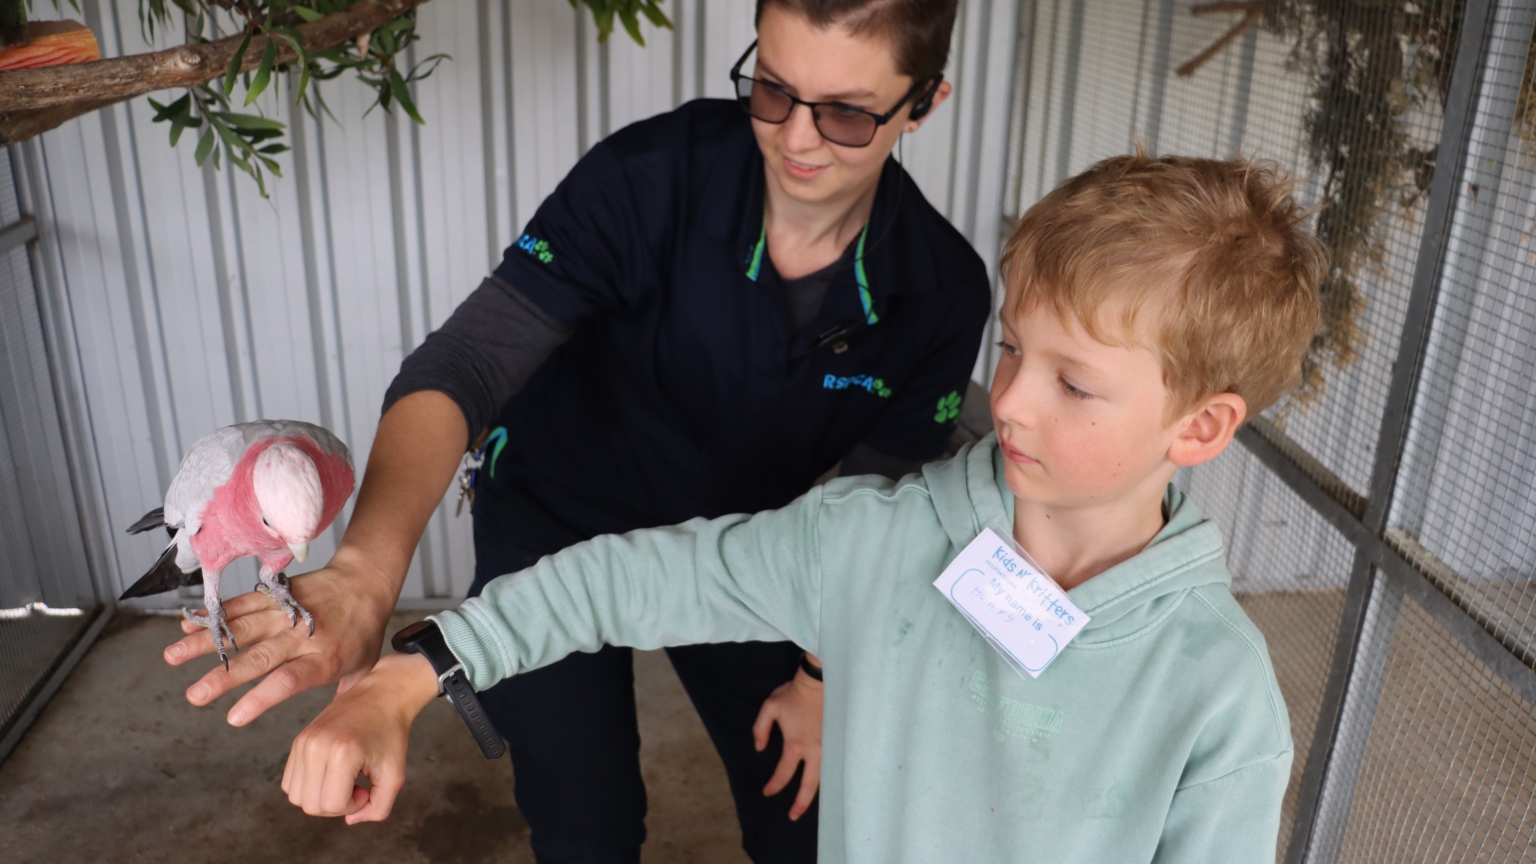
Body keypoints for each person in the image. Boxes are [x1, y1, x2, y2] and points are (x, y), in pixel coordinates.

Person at [278, 152, 1326, 863]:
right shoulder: (874, 538)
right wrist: (407, 678)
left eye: (1074, 382)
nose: (1005, 399)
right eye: (1012, 350)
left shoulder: (1220, 701)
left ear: (1198, 427)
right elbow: (627, 577)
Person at [162, 1, 989, 862]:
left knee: (809, 821)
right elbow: (472, 362)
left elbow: (874, 506)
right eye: (773, 90)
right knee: (582, 821)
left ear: (924, 101)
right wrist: (368, 574)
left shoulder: (942, 291)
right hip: (557, 512)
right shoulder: (652, 173)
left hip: (748, 556)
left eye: (848, 113)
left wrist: (821, 680)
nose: (797, 140)